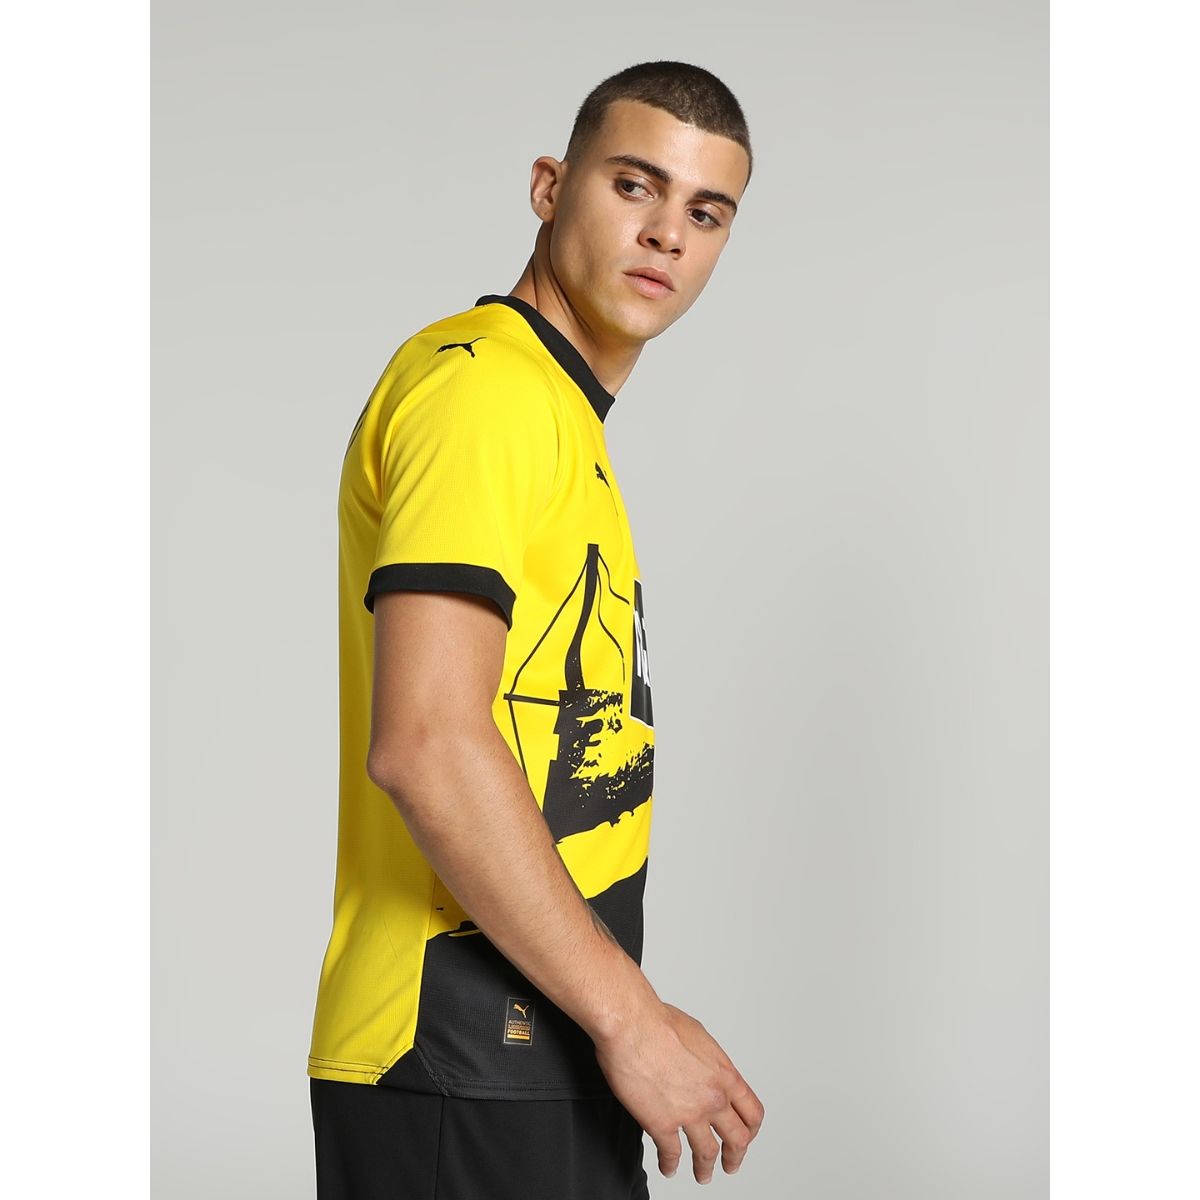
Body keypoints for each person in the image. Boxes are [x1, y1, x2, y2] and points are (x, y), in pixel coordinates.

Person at [307, 60, 765, 1199]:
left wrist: (625, 1019)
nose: (666, 233)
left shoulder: (556, 415)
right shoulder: (486, 392)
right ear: (549, 187)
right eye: (633, 185)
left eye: (706, 213)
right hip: (456, 1050)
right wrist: (633, 1019)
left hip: (536, 1046)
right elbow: (428, 742)